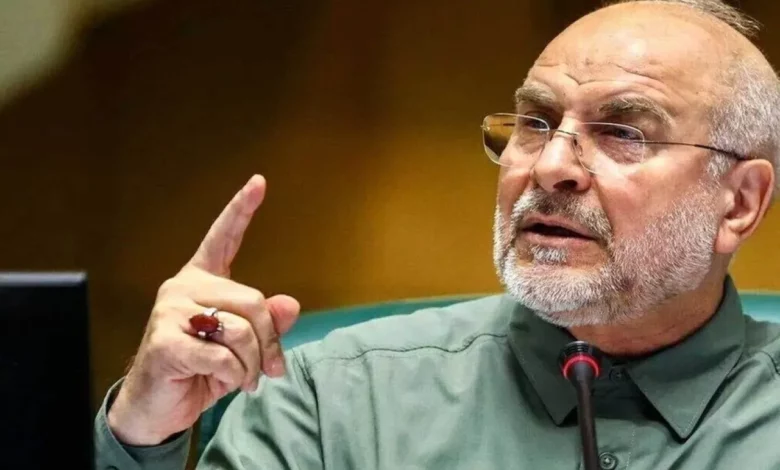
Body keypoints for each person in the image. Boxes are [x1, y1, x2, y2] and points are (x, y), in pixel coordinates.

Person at [95, 0, 780, 468]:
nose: (550, 166)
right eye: (535, 123)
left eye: (623, 132)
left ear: (740, 203)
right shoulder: (330, 402)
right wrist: (140, 439)